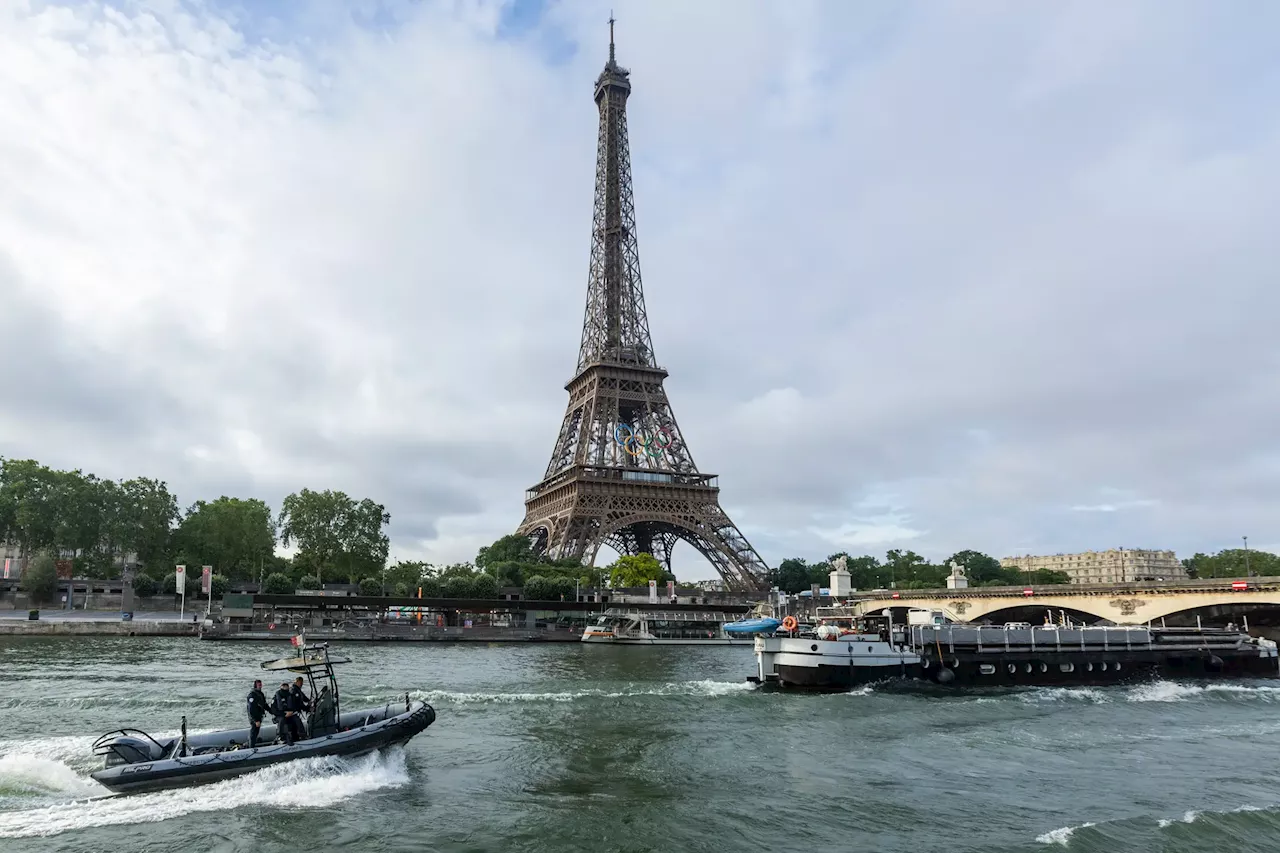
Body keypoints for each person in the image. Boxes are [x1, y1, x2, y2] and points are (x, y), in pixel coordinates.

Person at [271, 681, 298, 745]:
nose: (286, 689)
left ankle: (297, 736)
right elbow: (273, 710)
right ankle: (280, 737)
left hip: (289, 714)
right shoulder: (276, 698)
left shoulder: (290, 696)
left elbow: (294, 706)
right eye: (284, 687)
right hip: (279, 716)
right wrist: (284, 714)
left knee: (296, 719)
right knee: (282, 720)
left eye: (287, 687)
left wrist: (291, 712)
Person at [245, 678, 270, 748]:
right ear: (255, 685)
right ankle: (251, 747)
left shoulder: (260, 694)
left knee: (256, 731)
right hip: (254, 717)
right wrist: (255, 720)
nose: (260, 686)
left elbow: (264, 705)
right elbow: (251, 709)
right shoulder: (252, 695)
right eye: (259, 685)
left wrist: (272, 711)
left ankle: (251, 743)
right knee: (254, 730)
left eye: (261, 684)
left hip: (259, 715)